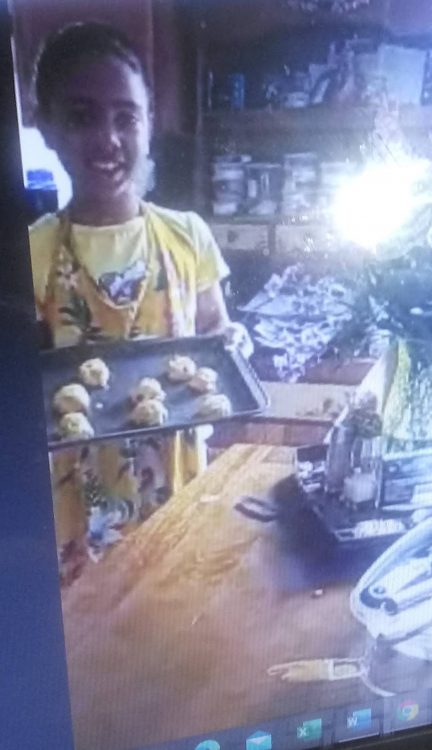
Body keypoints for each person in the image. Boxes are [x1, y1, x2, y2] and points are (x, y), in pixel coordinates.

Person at [29, 21, 251, 585]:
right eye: (81, 117)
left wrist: (232, 340)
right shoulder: (30, 251)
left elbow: (214, 333)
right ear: (49, 128)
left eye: (126, 117)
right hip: (76, 501)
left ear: (150, 126)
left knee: (170, 622)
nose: (108, 138)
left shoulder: (187, 236)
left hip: (175, 481)